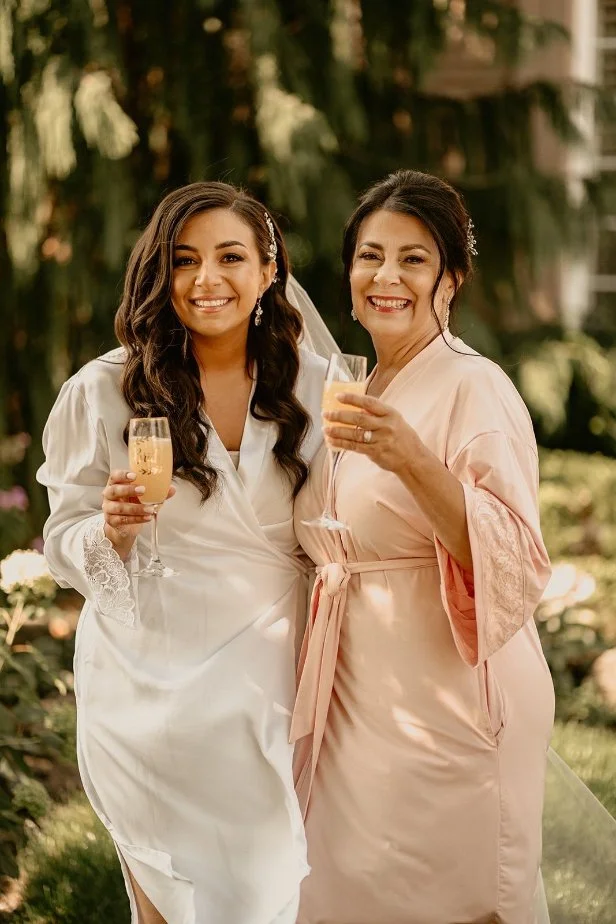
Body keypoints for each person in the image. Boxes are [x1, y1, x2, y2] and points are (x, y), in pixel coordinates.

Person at [37, 181, 328, 924]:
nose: (207, 279)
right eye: (185, 260)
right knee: (171, 901)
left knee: (267, 893)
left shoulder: (319, 386)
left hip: (272, 688)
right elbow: (64, 537)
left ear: (268, 271)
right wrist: (112, 531)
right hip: (150, 689)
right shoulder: (104, 390)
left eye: (231, 257)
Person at [291, 169, 556, 924]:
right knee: (339, 893)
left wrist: (411, 458)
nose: (387, 277)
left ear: (451, 278)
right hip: (354, 693)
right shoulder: (357, 385)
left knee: (444, 898)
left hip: (447, 696)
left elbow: (515, 559)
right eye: (370, 256)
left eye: (414, 259)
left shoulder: (476, 385)